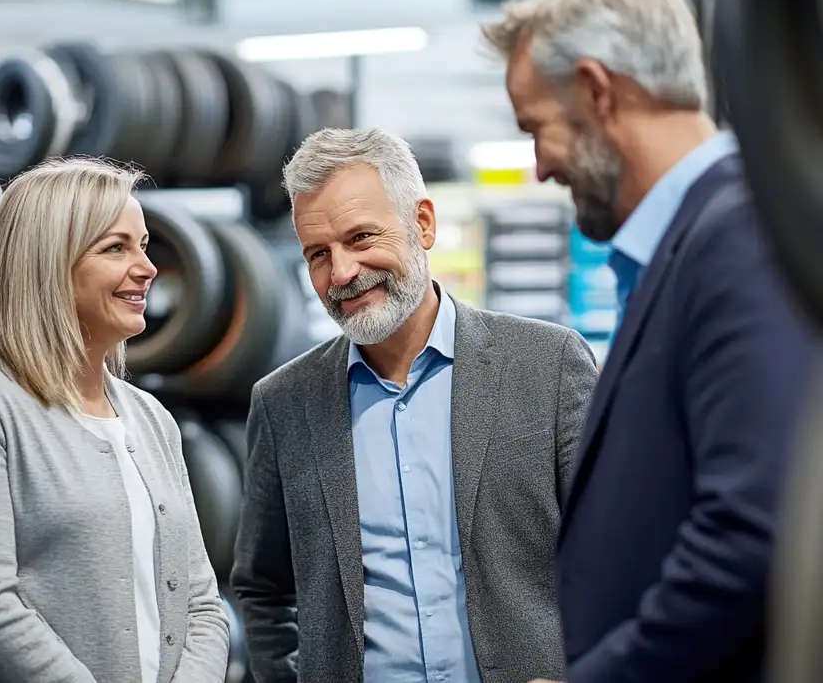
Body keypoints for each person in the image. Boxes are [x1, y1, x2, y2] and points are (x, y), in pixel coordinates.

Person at [482, 0, 818, 683]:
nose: (539, 168)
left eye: (537, 129)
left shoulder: (737, 238)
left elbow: (753, 529)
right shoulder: (687, 242)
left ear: (599, 92)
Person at [231, 127, 599, 683]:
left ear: (422, 223)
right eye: (318, 255)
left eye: (360, 238)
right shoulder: (285, 403)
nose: (343, 273)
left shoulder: (547, 365)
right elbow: (265, 589)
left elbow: (616, 551)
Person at [0, 157, 229, 683]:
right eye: (116, 248)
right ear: (48, 264)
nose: (148, 268)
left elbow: (201, 597)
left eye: (144, 245)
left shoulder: (152, 418)